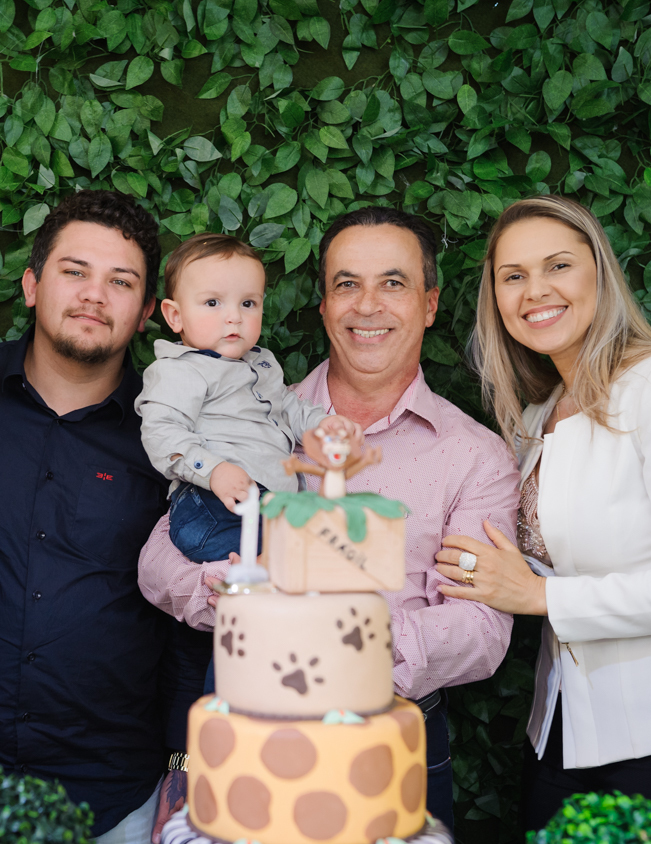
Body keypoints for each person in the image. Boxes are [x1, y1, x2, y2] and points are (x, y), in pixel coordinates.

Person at [138, 206, 521, 835]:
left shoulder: (473, 455)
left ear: (428, 304)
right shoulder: (247, 414)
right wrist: (244, 603)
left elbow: (482, 631)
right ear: (323, 307)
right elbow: (159, 561)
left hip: (393, 751)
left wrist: (341, 641)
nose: (367, 305)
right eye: (347, 284)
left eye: (392, 283)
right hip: (246, 752)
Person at [435, 195, 651, 841]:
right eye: (513, 276)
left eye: (558, 265)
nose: (536, 291)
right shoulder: (536, 419)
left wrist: (540, 595)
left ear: (599, 273)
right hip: (562, 744)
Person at [0, 190, 210, 844]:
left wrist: (186, 772)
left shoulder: (177, 445)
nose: (95, 294)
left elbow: (190, 628)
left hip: (112, 800)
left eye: (120, 281)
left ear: (148, 310)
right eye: (75, 272)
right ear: (33, 285)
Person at [135, 232, 358, 564]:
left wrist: (323, 425)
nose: (234, 316)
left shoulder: (262, 362)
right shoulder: (178, 371)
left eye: (248, 303)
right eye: (213, 303)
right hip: (210, 503)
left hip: (264, 503)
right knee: (293, 551)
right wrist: (213, 471)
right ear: (174, 316)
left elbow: (287, 406)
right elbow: (161, 433)